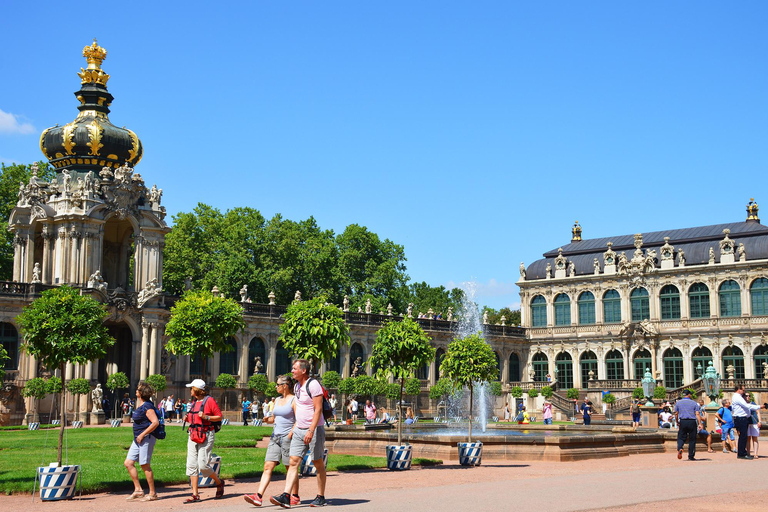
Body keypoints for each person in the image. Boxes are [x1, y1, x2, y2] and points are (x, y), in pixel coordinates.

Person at [270, 359, 328, 508]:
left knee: (317, 462)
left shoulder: (313, 385)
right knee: (293, 462)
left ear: (303, 370)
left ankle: (320, 496)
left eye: (295, 368)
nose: (292, 370)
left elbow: (318, 410)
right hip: (299, 430)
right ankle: (286, 496)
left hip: (314, 429)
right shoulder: (296, 387)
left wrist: (311, 430)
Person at [244, 375, 300, 507]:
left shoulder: (294, 400)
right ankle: (258, 496)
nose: (276, 386)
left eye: (278, 384)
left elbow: (299, 419)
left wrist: (291, 434)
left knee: (290, 468)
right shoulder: (277, 400)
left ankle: (295, 496)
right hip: (275, 437)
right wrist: (267, 420)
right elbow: (274, 418)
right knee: (267, 466)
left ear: (285, 385)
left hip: (287, 437)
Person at [184, 379, 225, 503]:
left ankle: (219, 482)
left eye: (191, 388)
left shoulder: (210, 401)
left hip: (206, 435)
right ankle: (195, 494)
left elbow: (219, 416)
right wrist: (188, 419)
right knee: (191, 464)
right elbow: (195, 418)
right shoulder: (194, 402)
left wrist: (206, 417)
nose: (190, 390)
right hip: (193, 435)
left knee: (203, 465)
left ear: (196, 389)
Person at [124, 381, 160, 501]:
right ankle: (138, 490)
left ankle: (152, 493)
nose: (136, 390)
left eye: (138, 389)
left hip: (146, 438)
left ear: (141, 393)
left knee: (145, 465)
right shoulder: (141, 404)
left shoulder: (147, 406)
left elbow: (155, 422)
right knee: (128, 463)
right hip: (138, 439)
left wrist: (143, 434)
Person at [731, 384, 767, 459]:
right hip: (741, 418)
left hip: (742, 418)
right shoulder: (737, 397)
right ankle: (741, 454)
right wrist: (760, 406)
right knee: (743, 436)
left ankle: (742, 453)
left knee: (743, 436)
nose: (744, 392)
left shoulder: (738, 397)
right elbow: (747, 406)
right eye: (743, 390)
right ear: (739, 390)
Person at [673, 389, 702, 461]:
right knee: (692, 439)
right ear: (689, 395)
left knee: (681, 437)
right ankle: (691, 455)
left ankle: (680, 448)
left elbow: (676, 413)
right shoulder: (694, 403)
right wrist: (700, 423)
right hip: (692, 422)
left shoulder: (678, 403)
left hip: (683, 421)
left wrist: (677, 421)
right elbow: (697, 414)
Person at [745, 392, 761, 458]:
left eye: (749, 396)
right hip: (747, 422)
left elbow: (758, 412)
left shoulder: (753, 403)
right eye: (746, 396)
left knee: (755, 438)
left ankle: (755, 454)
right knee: (748, 438)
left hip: (754, 422)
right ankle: (748, 453)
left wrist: (759, 421)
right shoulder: (743, 404)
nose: (748, 397)